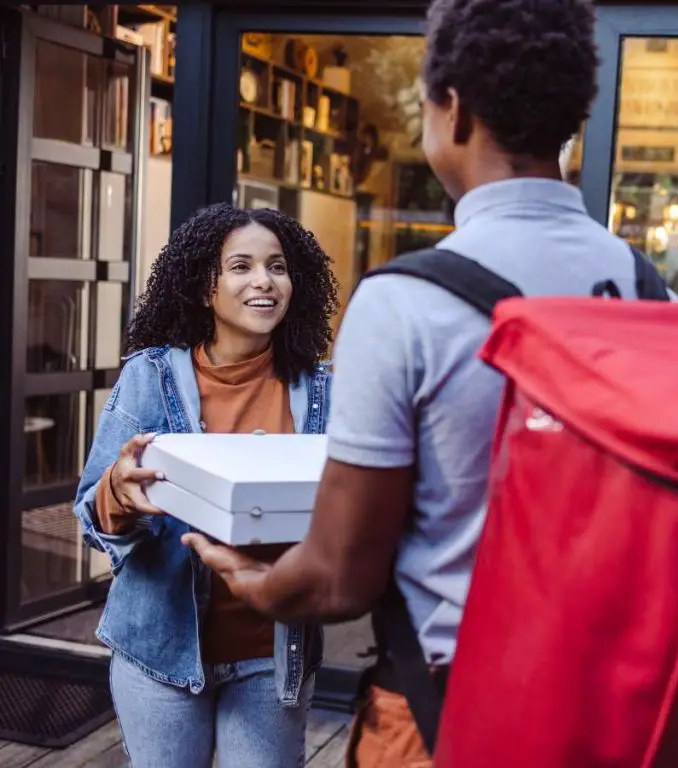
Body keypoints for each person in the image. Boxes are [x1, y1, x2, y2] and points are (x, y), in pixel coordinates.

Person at [183, 1, 652, 765]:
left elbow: (340, 575)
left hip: (449, 710)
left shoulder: (406, 302)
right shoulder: (640, 283)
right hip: (605, 700)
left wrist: (255, 584)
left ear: (453, 111)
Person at [73, 203, 337, 767]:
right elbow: (91, 517)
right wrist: (119, 494)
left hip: (272, 655)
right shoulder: (151, 377)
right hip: (159, 652)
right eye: (240, 266)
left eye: (277, 267)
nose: (263, 281)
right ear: (203, 287)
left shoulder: (322, 393)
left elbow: (344, 518)